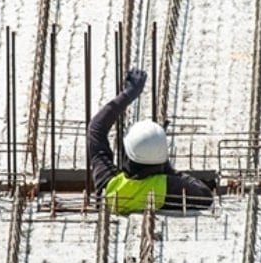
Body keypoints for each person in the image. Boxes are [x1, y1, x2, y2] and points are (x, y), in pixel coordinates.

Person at [88, 68, 214, 214]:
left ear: (128, 154)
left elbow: (96, 130)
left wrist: (128, 94)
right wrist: (167, 167)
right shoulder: (167, 186)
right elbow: (205, 196)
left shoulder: (109, 186)